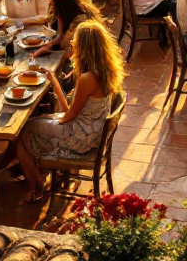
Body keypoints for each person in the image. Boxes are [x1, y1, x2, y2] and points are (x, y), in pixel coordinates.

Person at [16, 20, 123, 202]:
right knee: (38, 121)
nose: (73, 46)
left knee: (22, 132)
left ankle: (36, 187)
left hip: (80, 139)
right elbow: (73, 112)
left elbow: (68, 115)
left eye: (76, 44)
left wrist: (49, 120)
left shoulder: (87, 79)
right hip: (91, 132)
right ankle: (39, 171)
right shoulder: (106, 72)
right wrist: (55, 85)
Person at [32, 0, 102, 57]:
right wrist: (46, 46)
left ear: (61, 6)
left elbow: (72, 52)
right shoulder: (61, 14)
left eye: (52, 5)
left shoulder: (80, 21)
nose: (50, 8)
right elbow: (60, 37)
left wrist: (51, 52)